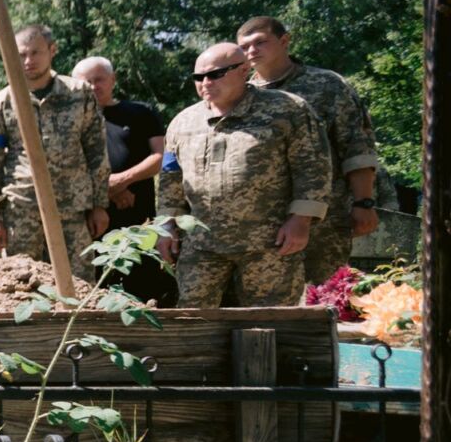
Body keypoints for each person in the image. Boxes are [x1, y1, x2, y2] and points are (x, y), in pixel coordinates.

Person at [159, 43, 333, 307]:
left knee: (270, 322)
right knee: (194, 319)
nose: (205, 82)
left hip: (269, 244)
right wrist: (165, 227)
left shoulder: (287, 110)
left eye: (215, 74)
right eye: (198, 77)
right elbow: (170, 179)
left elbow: (313, 167)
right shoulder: (182, 122)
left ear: (243, 70)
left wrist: (301, 220)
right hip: (201, 246)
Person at [238, 16, 381, 290]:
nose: (251, 51)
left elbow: (356, 145)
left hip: (325, 218)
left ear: (284, 41)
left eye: (260, 42)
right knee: (269, 304)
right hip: (261, 221)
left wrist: (364, 202)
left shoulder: (327, 85)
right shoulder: (241, 95)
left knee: (327, 297)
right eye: (244, 47)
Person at [0, 25, 109, 281]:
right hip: (22, 210)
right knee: (21, 286)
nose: (28, 61)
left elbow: (96, 152)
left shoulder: (79, 95)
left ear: (52, 51)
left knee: (79, 283)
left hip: (71, 208)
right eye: (21, 54)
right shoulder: (1, 103)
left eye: (35, 53)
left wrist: (99, 204)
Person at [73, 56, 175, 305]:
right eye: (87, 82)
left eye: (100, 79)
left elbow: (160, 156)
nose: (94, 86)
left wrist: (123, 180)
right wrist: (107, 189)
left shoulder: (140, 113)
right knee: (93, 286)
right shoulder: (71, 121)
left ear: (113, 80)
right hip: (88, 219)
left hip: (137, 219)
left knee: (143, 286)